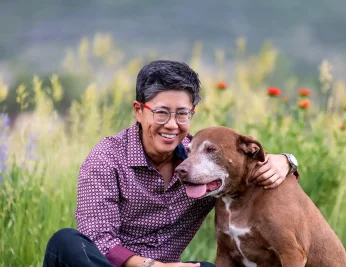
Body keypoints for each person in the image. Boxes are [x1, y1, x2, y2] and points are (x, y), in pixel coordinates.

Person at [42, 60, 299, 267]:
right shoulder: (107, 159)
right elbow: (98, 240)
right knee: (65, 242)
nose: (172, 125)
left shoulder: (203, 164)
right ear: (138, 110)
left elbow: (244, 169)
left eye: (183, 114)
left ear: (192, 112)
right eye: (161, 112)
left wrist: (286, 161)